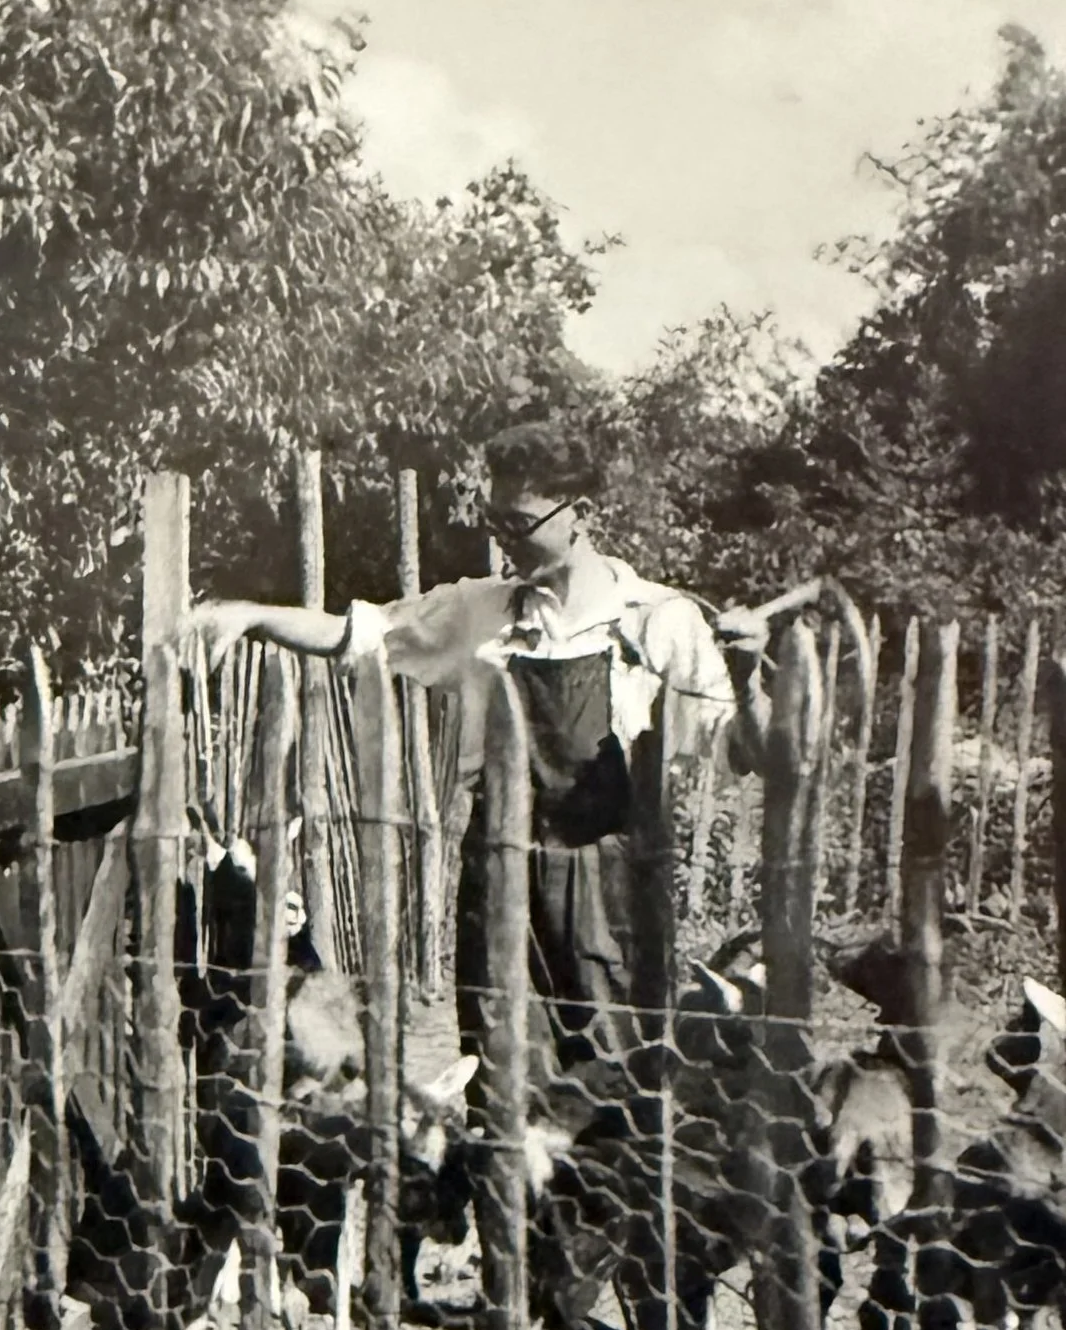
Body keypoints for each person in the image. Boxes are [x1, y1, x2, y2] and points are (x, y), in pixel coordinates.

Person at [188, 419, 774, 1066]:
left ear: (580, 513)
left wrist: (749, 676)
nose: (505, 543)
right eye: (495, 523)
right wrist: (251, 616)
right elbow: (356, 632)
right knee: (501, 1071)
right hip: (497, 878)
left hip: (612, 894)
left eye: (520, 523)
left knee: (615, 1076)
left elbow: (744, 752)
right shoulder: (478, 612)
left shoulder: (657, 621)